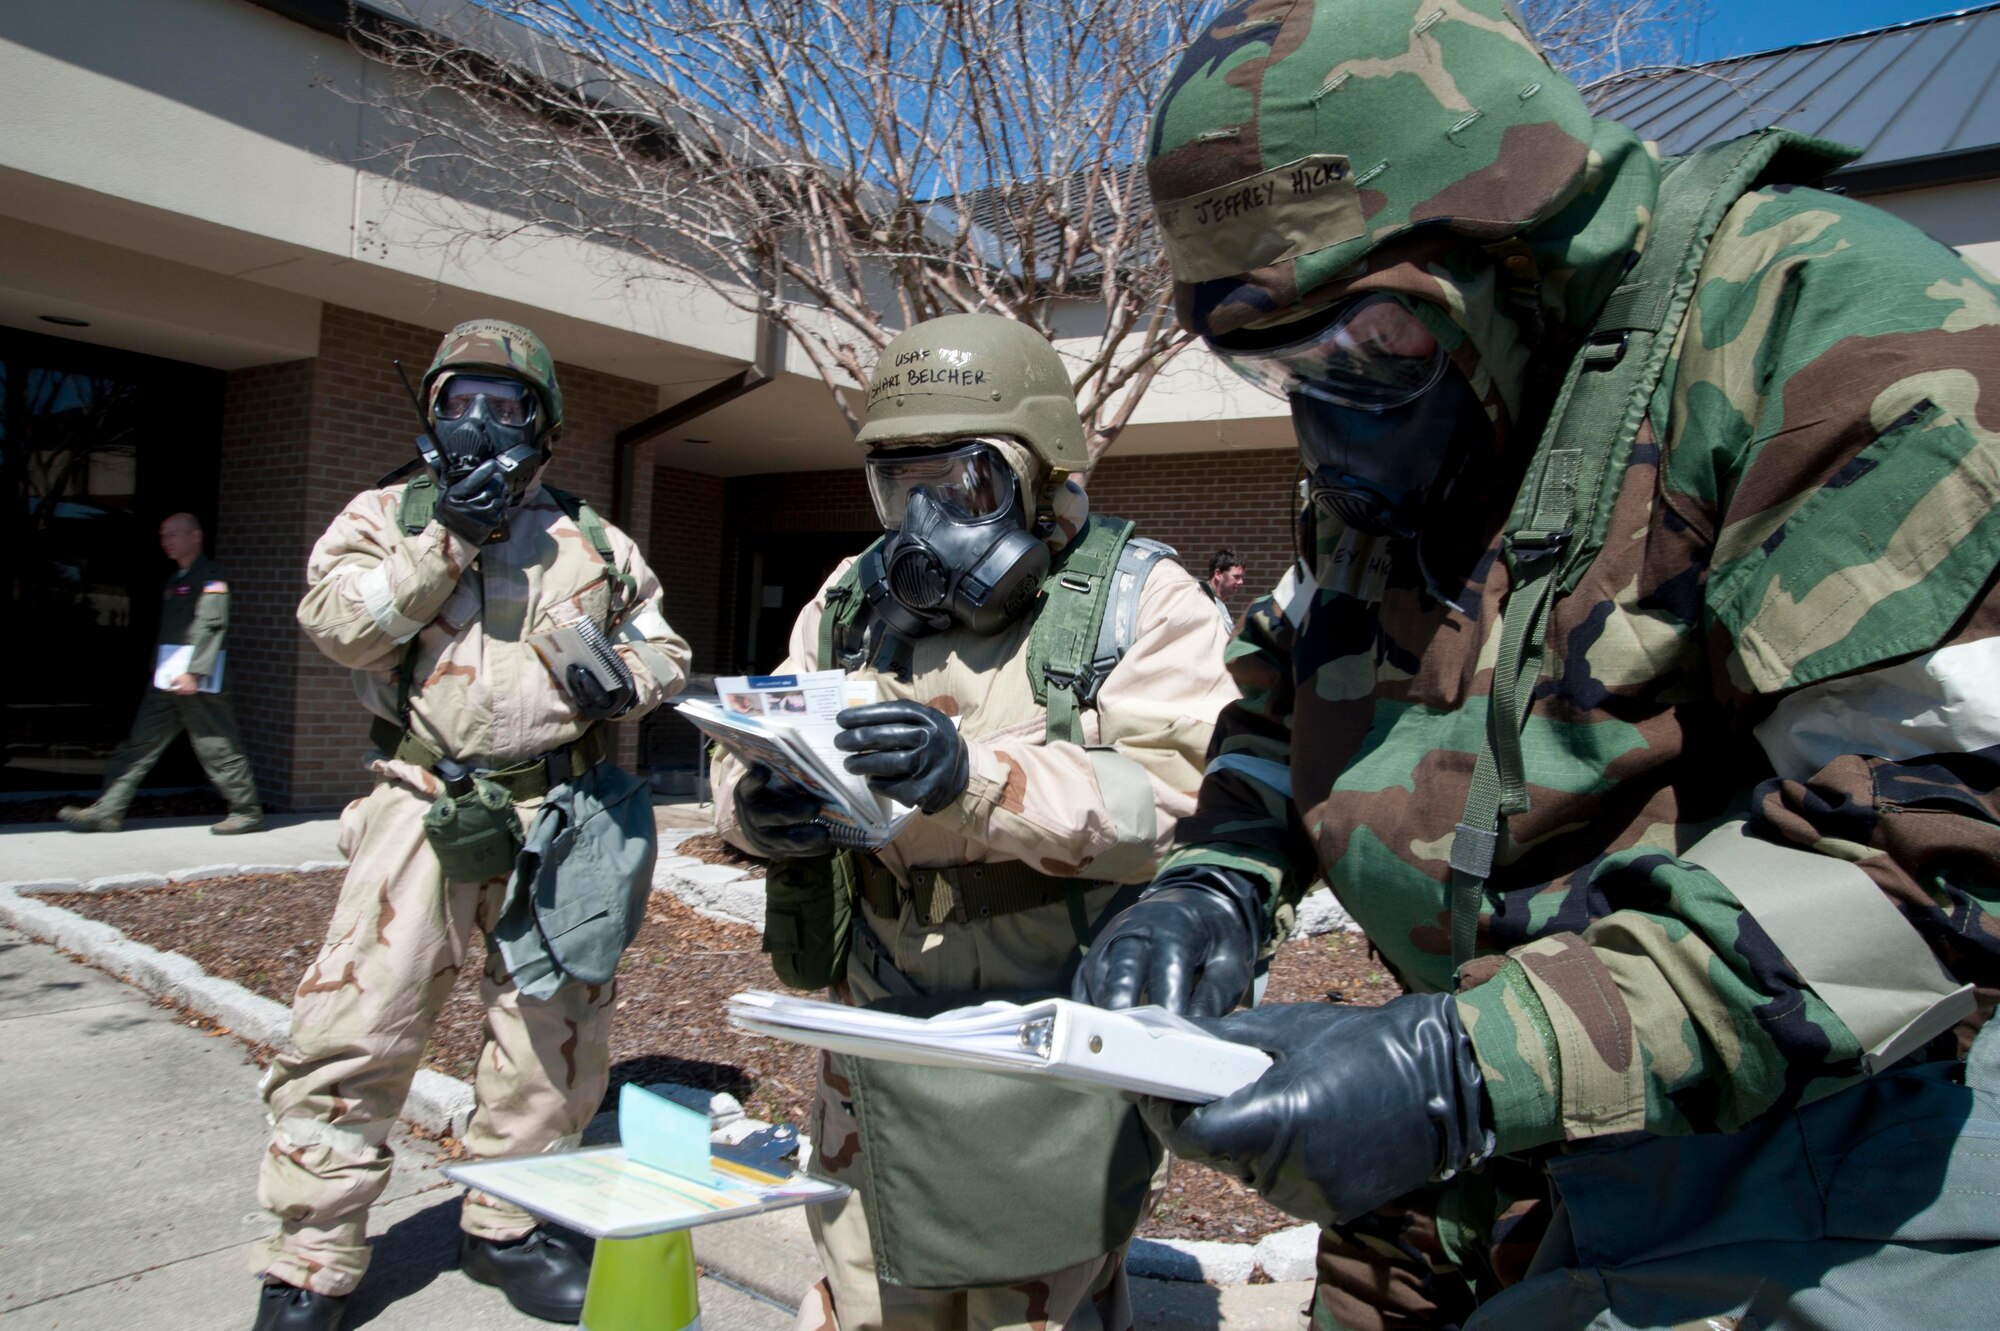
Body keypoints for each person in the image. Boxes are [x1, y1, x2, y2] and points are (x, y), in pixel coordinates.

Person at [1074, 2, 2000, 1328]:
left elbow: (1938, 842)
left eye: (1365, 345)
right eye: (1278, 362)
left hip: (1810, 1155)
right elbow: (1289, 690)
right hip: (1468, 1172)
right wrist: (1217, 882)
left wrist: (1469, 1063)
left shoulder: (1828, 328)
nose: (1327, 412)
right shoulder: (1412, 427)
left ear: (1513, 251)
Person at [713, 313, 1239, 1331]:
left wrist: (973, 774)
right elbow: (756, 731)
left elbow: (1179, 802)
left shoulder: (1141, 600)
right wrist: (754, 804)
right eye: (898, 486)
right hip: (876, 1022)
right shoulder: (849, 599)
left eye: (961, 484)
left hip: (1044, 1035)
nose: (924, 521)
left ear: (1039, 473)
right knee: (867, 1295)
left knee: (1026, 1304)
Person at [248, 319, 690, 1331]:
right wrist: (446, 533)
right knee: (354, 1027)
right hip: (422, 806)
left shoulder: (591, 534)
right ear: (432, 411)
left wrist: (627, 678)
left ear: (541, 422)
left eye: (504, 405)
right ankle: (312, 1253)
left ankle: (511, 1223)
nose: (480, 421)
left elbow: (663, 643)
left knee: (552, 1033)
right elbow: (342, 628)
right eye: (459, 401)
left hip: (563, 814)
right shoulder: (383, 513)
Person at [58, 512, 264, 835]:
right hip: (167, 679)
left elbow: (212, 626)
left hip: (198, 680)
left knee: (216, 745)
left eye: (173, 535)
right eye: (163, 536)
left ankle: (247, 811)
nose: (166, 542)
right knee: (138, 744)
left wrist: (195, 671)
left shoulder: (211, 577)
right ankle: (107, 811)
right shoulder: (176, 580)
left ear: (195, 537)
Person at [1203, 548, 1246, 633]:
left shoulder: (1218, 603)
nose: (1241, 582)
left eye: (1241, 577)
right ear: (1218, 574)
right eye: (1236, 576)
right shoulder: (1201, 601)